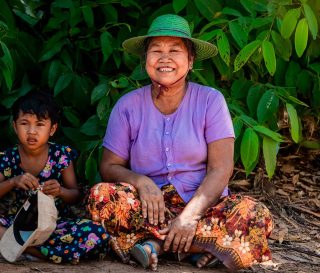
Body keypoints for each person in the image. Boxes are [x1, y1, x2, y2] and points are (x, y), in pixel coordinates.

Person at [87, 14, 273, 272]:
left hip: (203, 206)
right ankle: (203, 247)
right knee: (101, 196)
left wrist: (189, 217)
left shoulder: (210, 101)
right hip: (149, 209)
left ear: (191, 60)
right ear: (145, 60)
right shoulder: (127, 105)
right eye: (156, 51)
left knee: (254, 214)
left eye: (175, 50)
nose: (164, 58)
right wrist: (141, 182)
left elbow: (221, 169)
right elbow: (109, 166)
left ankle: (156, 246)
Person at [0, 91, 110, 264]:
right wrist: (13, 181)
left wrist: (60, 191)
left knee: (96, 233)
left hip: (52, 225)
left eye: (39, 124)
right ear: (15, 127)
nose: (32, 131)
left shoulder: (61, 156)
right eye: (24, 123)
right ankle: (35, 251)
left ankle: (29, 251)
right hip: (15, 224)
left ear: (52, 129)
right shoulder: (8, 157)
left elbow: (75, 195)